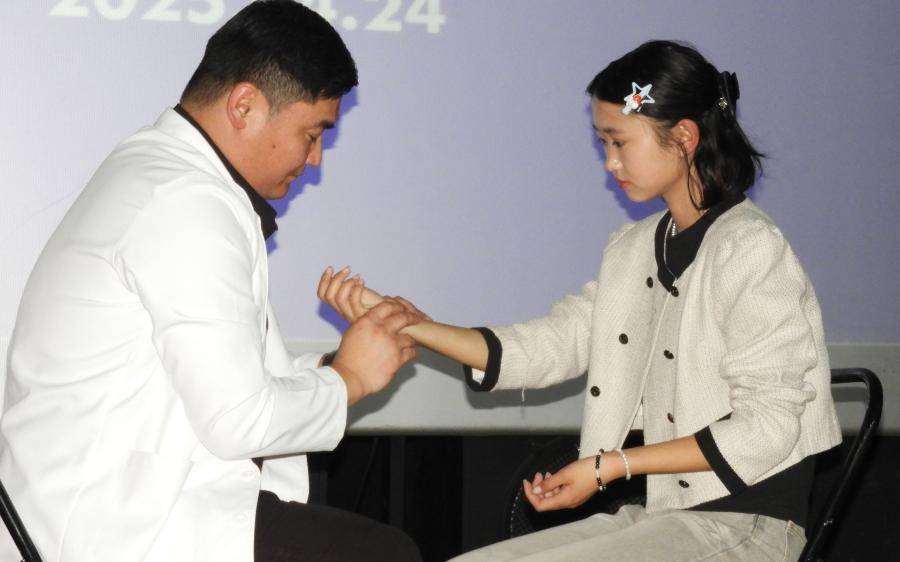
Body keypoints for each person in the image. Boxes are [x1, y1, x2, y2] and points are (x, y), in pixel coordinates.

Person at [319, 40, 842, 561]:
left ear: (684, 137)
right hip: (666, 518)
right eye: (603, 143)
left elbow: (768, 426)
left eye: (619, 142)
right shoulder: (634, 248)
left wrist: (610, 466)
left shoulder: (750, 247)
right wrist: (404, 323)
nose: (610, 162)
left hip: (749, 527)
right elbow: (552, 344)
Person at [0, 2, 423, 561]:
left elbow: (223, 384)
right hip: (114, 528)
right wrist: (349, 379)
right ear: (244, 106)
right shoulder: (186, 201)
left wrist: (338, 365)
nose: (316, 159)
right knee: (385, 554)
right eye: (312, 133)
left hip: (127, 507)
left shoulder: (167, 176)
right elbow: (236, 420)